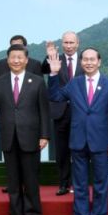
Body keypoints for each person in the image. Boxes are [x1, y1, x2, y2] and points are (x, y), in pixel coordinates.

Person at [47, 47, 108, 215]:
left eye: (92, 59)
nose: (88, 62)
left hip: (101, 141)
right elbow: (55, 96)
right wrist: (54, 74)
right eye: (85, 59)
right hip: (78, 140)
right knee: (79, 183)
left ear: (99, 61)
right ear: (81, 62)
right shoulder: (74, 83)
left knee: (101, 183)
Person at [0, 44, 51, 215]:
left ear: (26, 60)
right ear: (7, 60)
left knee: (30, 180)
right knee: (12, 182)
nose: (16, 61)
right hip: (9, 137)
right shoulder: (0, 81)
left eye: (20, 57)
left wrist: (45, 135)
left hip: (31, 136)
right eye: (13, 57)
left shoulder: (37, 81)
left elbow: (44, 110)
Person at [42, 32, 82, 196]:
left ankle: (79, 183)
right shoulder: (55, 59)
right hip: (60, 112)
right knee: (62, 151)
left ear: (78, 43)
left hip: (81, 112)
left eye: (72, 42)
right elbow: (44, 70)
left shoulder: (85, 60)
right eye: (66, 42)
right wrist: (49, 56)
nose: (69, 45)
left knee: (80, 149)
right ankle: (64, 183)